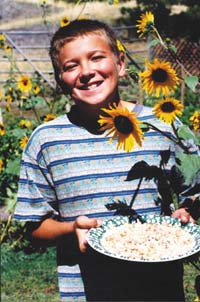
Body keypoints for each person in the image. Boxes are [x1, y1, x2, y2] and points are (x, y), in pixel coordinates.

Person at [14, 19, 195, 302]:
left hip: (160, 290)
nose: (87, 72)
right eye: (71, 66)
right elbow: (34, 226)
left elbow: (194, 192)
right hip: (86, 292)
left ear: (120, 63)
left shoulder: (163, 126)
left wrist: (187, 213)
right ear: (60, 79)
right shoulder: (47, 141)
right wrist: (71, 229)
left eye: (97, 57)